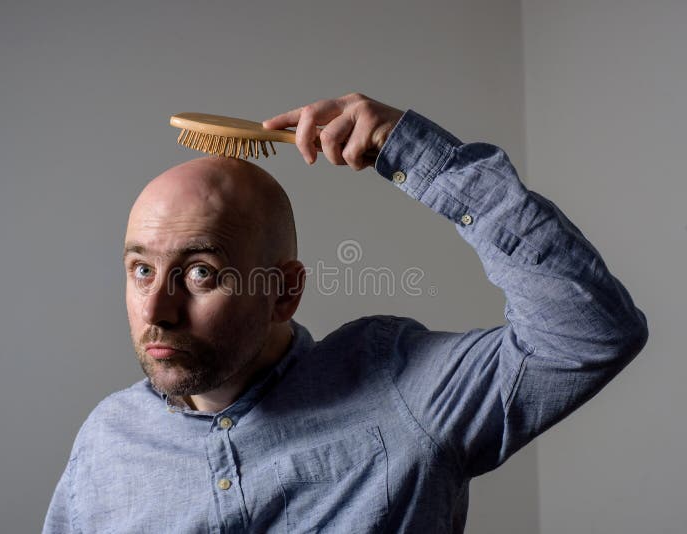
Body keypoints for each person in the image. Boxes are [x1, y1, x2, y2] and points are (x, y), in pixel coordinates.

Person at [42, 93, 647, 533]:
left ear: (284, 292)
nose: (158, 309)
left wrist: (419, 156)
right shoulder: (107, 441)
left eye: (201, 272)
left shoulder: (400, 388)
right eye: (141, 269)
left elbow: (589, 334)